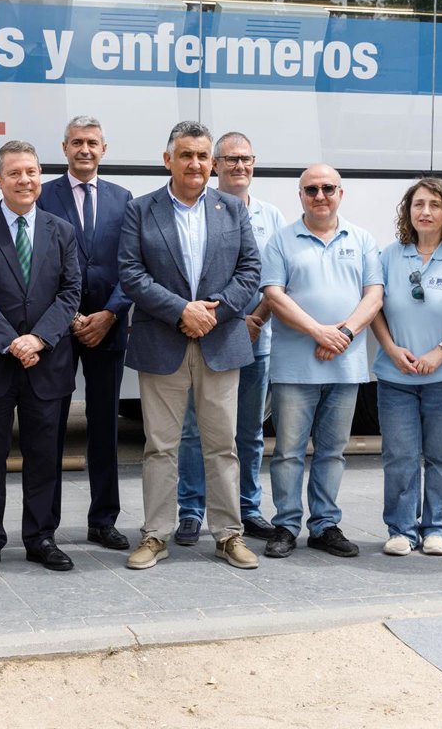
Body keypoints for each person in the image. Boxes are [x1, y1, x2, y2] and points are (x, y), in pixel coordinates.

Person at [118, 121, 261, 571]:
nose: (195, 163)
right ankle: (155, 534)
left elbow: (251, 270)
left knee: (222, 445)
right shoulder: (141, 210)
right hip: (163, 341)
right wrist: (182, 310)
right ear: (168, 160)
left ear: (212, 163)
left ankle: (228, 535)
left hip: (220, 341)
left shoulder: (232, 209)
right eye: (186, 155)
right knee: (160, 446)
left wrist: (214, 312)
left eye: (202, 156)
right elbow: (131, 273)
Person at [0, 140, 82, 575]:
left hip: (47, 362)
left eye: (31, 171)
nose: (24, 180)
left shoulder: (62, 230)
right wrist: (11, 341)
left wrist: (38, 339)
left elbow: (71, 292)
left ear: (40, 176)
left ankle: (41, 537)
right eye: (14, 173)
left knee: (44, 456)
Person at [261, 164, 383, 560]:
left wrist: (342, 334)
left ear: (340, 193)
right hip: (294, 368)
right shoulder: (281, 241)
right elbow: (274, 295)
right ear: (300, 196)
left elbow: (374, 295)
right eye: (310, 189)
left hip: (345, 366)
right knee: (288, 452)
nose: (319, 196)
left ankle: (325, 525)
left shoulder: (362, 239)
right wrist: (318, 332)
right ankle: (286, 525)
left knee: (332, 451)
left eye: (327, 188)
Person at [174, 132, 285, 546]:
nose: (240, 166)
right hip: (207, 335)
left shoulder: (272, 216)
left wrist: (255, 319)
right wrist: (225, 318)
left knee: (249, 430)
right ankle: (191, 510)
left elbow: (274, 277)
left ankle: (247, 507)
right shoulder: (200, 208)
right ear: (215, 165)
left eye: (246, 159)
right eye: (231, 159)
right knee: (194, 429)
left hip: (257, 336)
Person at [370, 178, 442, 557]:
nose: (425, 212)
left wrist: (441, 351)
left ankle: (437, 529)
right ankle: (401, 530)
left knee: (440, 454)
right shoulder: (390, 255)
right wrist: (390, 349)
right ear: (408, 212)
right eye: (418, 204)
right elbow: (374, 306)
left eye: (435, 205)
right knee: (400, 455)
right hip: (396, 375)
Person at [37, 116, 133, 551]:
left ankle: (104, 520)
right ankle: (45, 525)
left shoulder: (122, 199)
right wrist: (72, 317)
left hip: (109, 327)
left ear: (104, 149)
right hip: (57, 329)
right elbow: (38, 266)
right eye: (77, 142)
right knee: (50, 426)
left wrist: (110, 313)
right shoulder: (44, 195)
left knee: (104, 427)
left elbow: (133, 264)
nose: (85, 150)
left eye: (92, 142)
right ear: (65, 148)